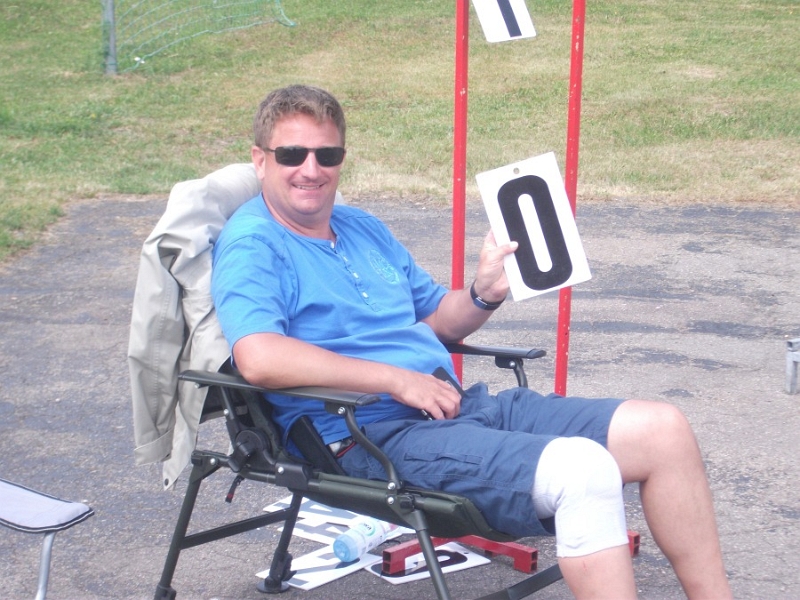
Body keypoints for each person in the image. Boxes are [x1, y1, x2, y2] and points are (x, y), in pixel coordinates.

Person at [211, 84, 731, 599]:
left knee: (663, 431)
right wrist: (396, 380)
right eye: (292, 154)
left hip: (452, 409)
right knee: (583, 471)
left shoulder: (360, 227)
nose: (311, 169)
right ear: (260, 160)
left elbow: (438, 318)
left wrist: (483, 292)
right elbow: (258, 356)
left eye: (327, 154)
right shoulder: (253, 243)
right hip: (367, 436)